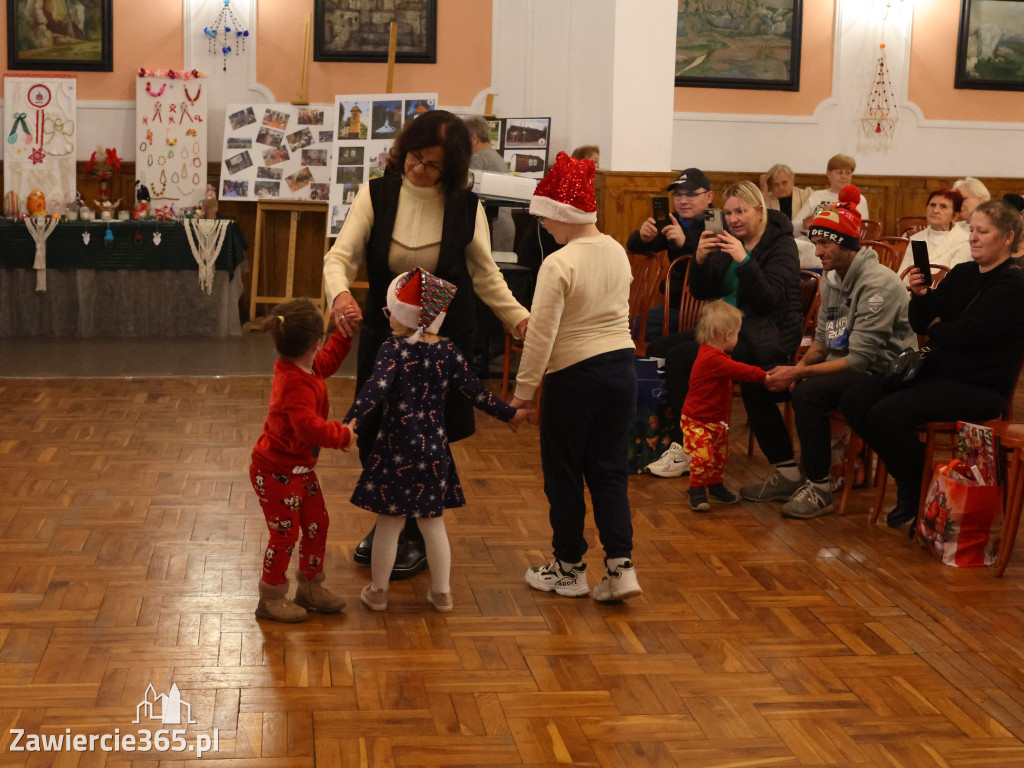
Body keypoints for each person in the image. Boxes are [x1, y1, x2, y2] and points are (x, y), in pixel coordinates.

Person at [323, 110, 530, 581]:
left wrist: (519, 319)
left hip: (444, 337)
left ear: (452, 167)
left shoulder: (465, 205)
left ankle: (414, 531)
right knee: (375, 429)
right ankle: (388, 520)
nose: (419, 169)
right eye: (415, 157)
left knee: (429, 437)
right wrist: (339, 295)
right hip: (386, 332)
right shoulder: (376, 193)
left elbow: (485, 274)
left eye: (433, 164)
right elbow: (341, 257)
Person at [346, 269, 530, 612]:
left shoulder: (392, 349)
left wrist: (351, 420)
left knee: (389, 523)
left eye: (390, 310)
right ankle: (442, 592)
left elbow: (375, 388)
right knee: (433, 523)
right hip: (433, 452)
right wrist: (510, 414)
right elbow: (477, 393)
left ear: (399, 314)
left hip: (395, 451)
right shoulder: (448, 352)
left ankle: (378, 592)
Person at [841, 199, 1024, 528]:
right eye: (972, 230)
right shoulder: (964, 273)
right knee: (856, 397)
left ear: (1008, 237)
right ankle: (912, 481)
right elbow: (921, 324)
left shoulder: (1013, 285)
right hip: (937, 371)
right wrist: (922, 296)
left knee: (887, 414)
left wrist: (939, 327)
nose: (973, 237)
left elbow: (967, 335)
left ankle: (916, 488)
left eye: (983, 232)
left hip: (978, 386)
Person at [511, 151, 641, 602]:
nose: (545, 227)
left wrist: (523, 395)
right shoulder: (617, 250)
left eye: (546, 218)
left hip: (574, 377)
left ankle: (568, 570)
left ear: (563, 213)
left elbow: (541, 336)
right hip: (622, 370)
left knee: (564, 475)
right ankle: (621, 569)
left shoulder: (558, 262)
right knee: (609, 471)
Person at [740, 185, 916, 520]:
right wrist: (795, 369)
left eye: (824, 243)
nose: (817, 251)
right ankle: (787, 473)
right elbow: (822, 343)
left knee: (807, 393)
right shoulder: (832, 278)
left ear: (847, 243)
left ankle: (819, 487)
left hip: (880, 371)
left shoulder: (877, 284)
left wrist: (800, 374)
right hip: (842, 365)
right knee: (760, 380)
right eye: (816, 242)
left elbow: (860, 360)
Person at [644, 181, 801, 478]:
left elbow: (769, 301)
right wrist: (700, 259)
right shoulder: (728, 239)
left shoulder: (781, 244)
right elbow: (703, 291)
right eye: (728, 213)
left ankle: (690, 447)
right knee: (659, 349)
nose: (733, 219)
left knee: (682, 358)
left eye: (741, 212)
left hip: (764, 334)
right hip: (724, 331)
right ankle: (666, 438)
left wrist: (744, 259)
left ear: (759, 211)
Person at [250, 299, 356, 623]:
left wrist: (343, 335)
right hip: (274, 471)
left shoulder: (305, 365)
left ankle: (310, 587)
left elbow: (328, 360)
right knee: (284, 535)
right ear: (316, 342)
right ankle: (271, 598)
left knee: (316, 523)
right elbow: (308, 427)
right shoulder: (295, 383)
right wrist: (343, 435)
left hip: (298, 469)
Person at [682, 301, 768, 512]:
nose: (738, 339)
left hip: (716, 419)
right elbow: (739, 370)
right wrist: (764, 376)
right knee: (702, 457)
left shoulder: (715, 355)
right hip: (697, 420)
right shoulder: (712, 358)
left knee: (719, 456)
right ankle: (696, 490)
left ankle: (715, 485)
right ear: (727, 334)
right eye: (737, 334)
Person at [625, 168, 714, 339]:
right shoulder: (673, 220)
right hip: (675, 306)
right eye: (678, 195)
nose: (683, 201)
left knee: (634, 331)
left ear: (709, 197)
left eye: (691, 195)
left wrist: (685, 243)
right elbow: (635, 247)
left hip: (709, 308)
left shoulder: (716, 222)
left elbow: (715, 265)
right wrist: (643, 237)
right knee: (627, 327)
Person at [463, 114, 514, 252]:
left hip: (490, 227)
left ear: (473, 139)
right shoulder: (496, 157)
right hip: (504, 226)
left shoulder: (477, 159)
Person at [896, 187, 971, 279]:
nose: (935, 211)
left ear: (954, 215)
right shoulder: (916, 238)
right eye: (932, 205)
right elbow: (902, 275)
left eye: (943, 207)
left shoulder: (964, 242)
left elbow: (955, 281)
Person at [793, 154, 870, 235]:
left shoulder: (858, 199)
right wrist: (804, 225)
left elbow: (862, 231)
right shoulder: (816, 195)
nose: (844, 177)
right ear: (828, 174)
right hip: (810, 238)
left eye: (848, 173)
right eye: (839, 172)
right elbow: (794, 226)